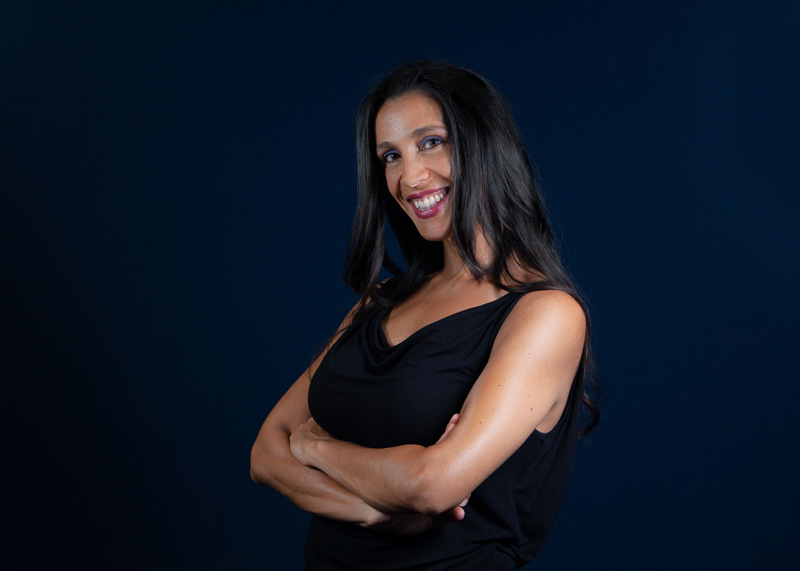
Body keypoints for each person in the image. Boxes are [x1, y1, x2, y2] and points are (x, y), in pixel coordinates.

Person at [250, 60, 599, 570]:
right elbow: (265, 453)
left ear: (483, 143)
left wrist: (315, 448)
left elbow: (432, 486)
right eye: (390, 156)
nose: (409, 177)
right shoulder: (380, 300)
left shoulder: (546, 314)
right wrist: (371, 511)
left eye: (431, 142)